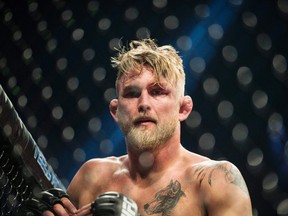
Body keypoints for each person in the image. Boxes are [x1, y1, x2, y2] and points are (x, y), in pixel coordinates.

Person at [41, 38, 252, 215]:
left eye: (158, 92)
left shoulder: (214, 181)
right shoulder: (92, 176)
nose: (143, 104)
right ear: (116, 111)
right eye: (132, 94)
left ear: (183, 108)